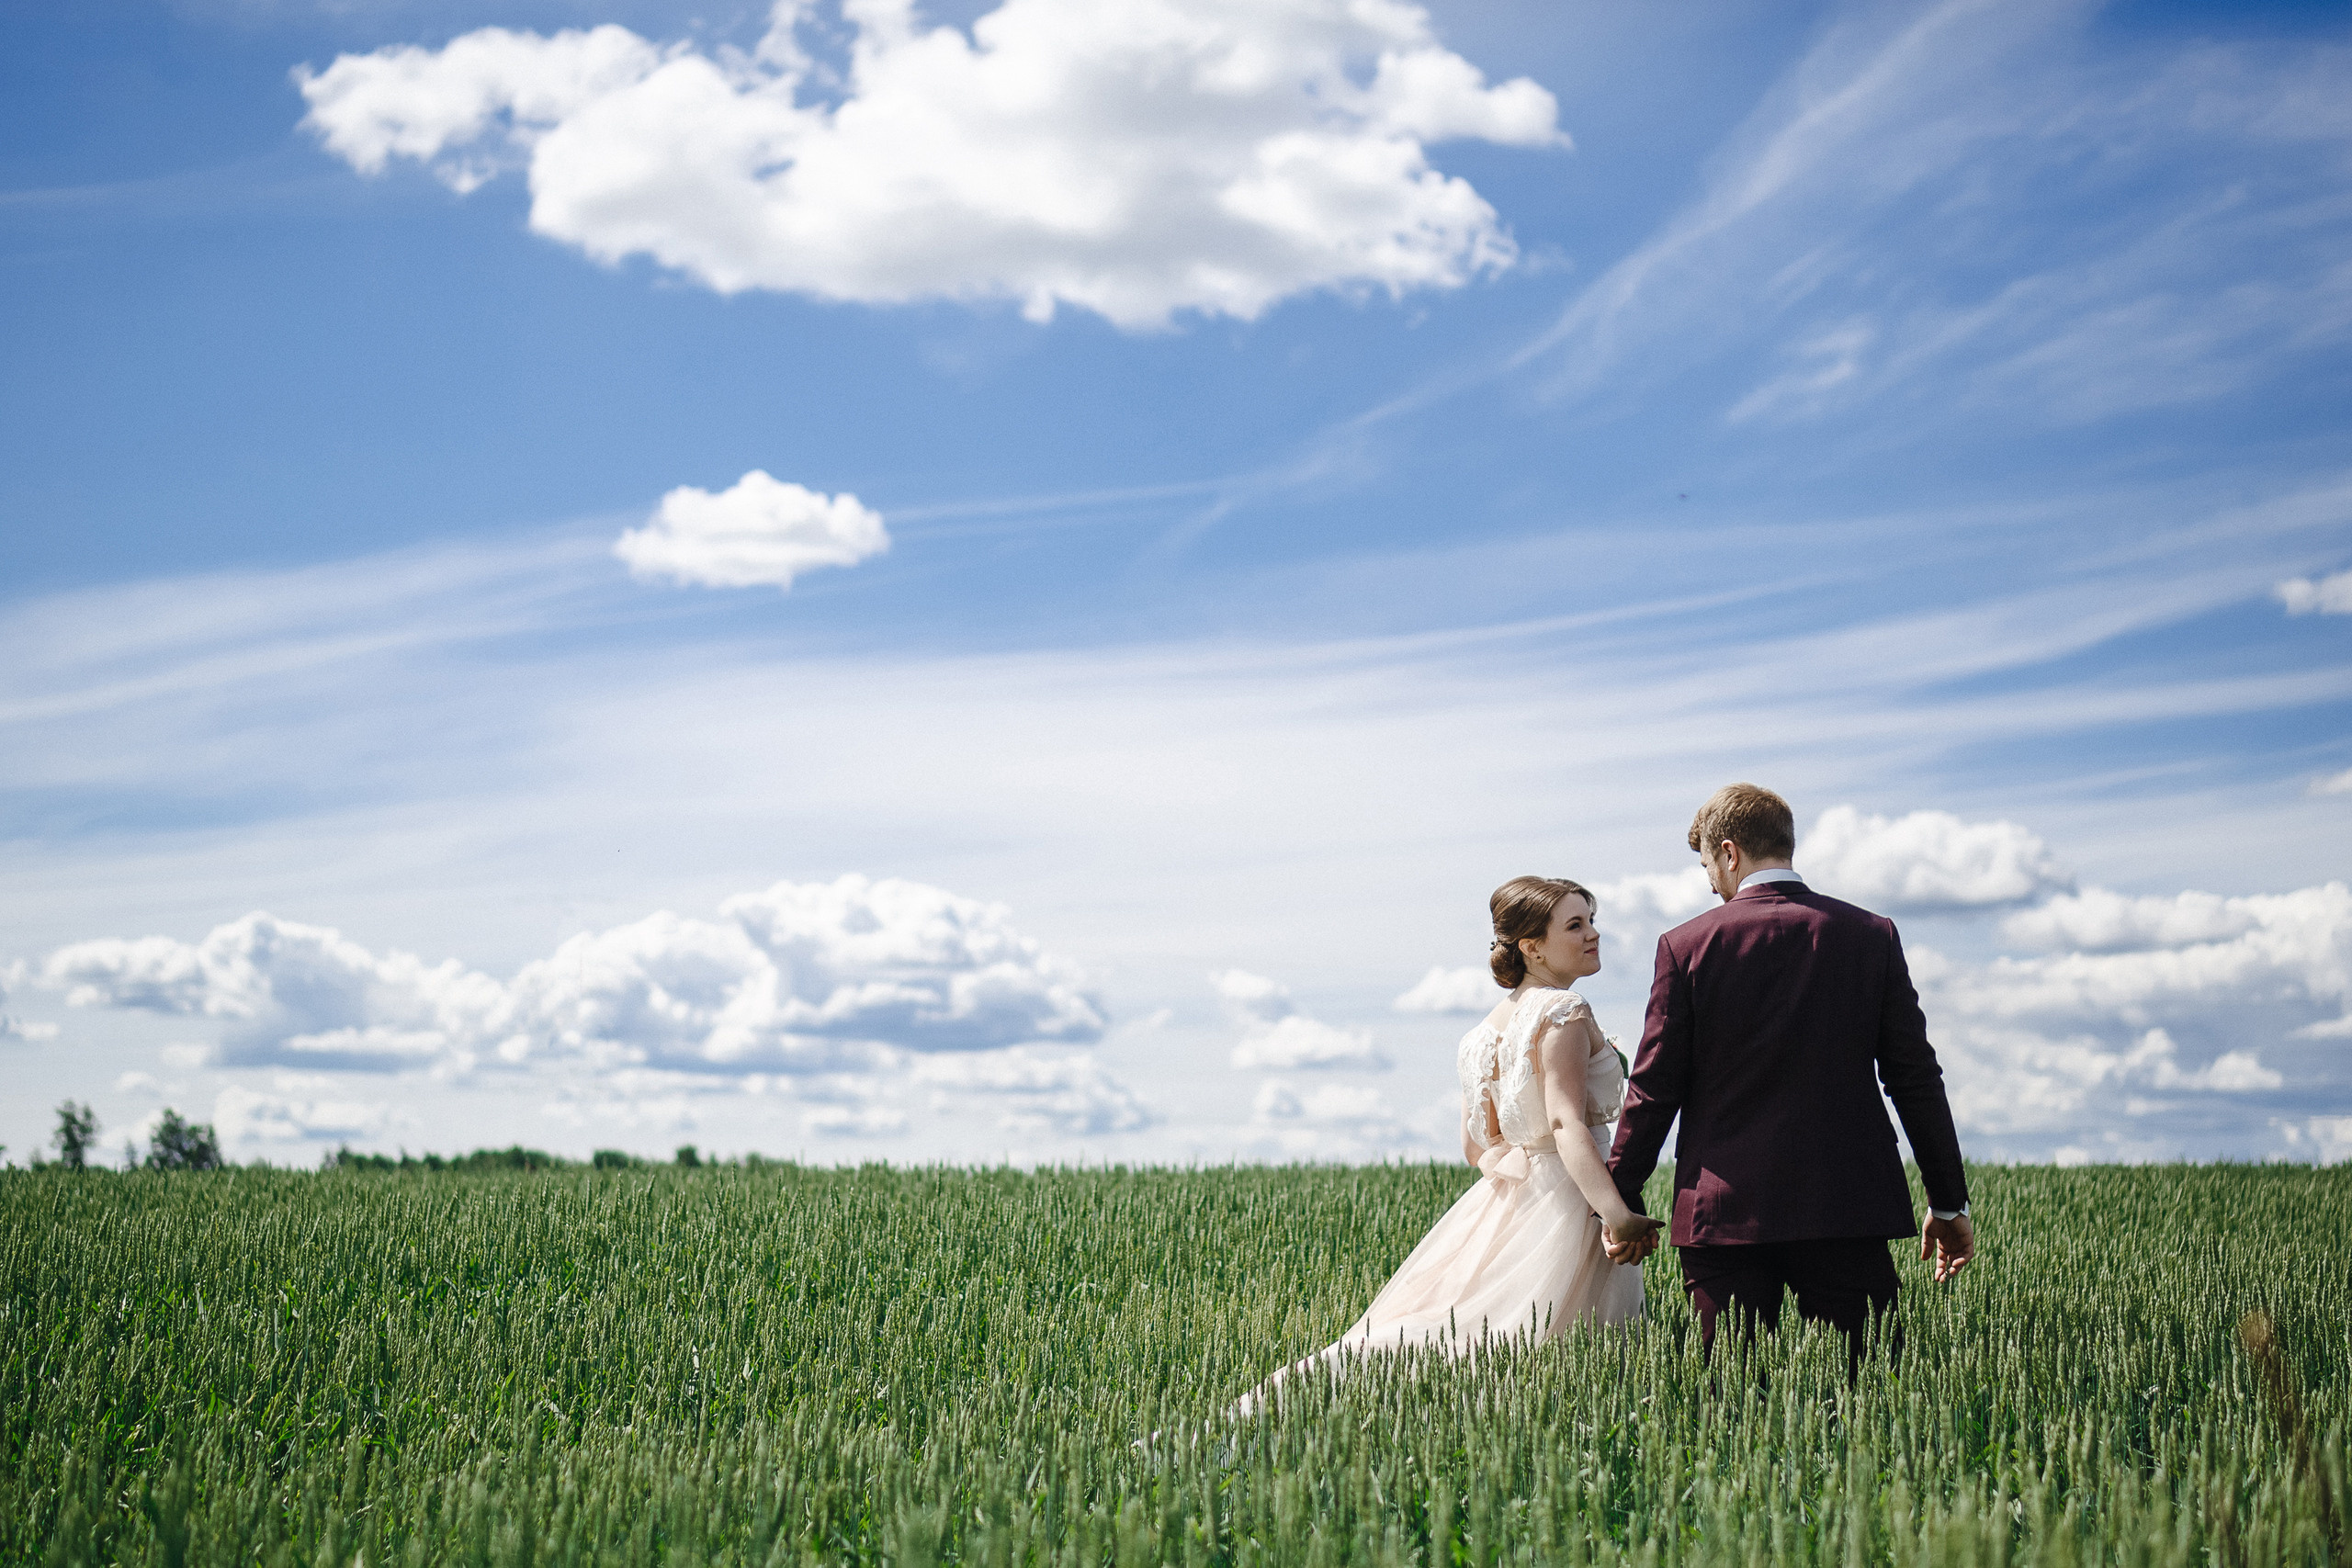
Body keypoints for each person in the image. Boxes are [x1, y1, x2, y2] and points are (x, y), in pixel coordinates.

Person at [1236, 875, 1659, 1414]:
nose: (1593, 934)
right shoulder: (1563, 1012)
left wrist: (1523, 1174)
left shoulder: (1480, 1035)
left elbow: (1474, 1147)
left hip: (1509, 1201)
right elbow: (1563, 1124)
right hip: (1573, 1197)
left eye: (1591, 921)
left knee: (1462, 1332)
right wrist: (1615, 1216)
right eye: (1575, 925)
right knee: (1545, 1354)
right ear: (1532, 946)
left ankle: (1296, 1406)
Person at [1604, 784, 1974, 1365]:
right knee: (1866, 1403)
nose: (1709, 882)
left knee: (1732, 1409)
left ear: (1729, 853)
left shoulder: (1686, 946)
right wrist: (1948, 1203)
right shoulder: (1871, 935)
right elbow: (1915, 1078)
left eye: (1707, 864)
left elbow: (1655, 1086)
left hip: (1723, 1214)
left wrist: (1619, 1194)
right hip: (1848, 1208)